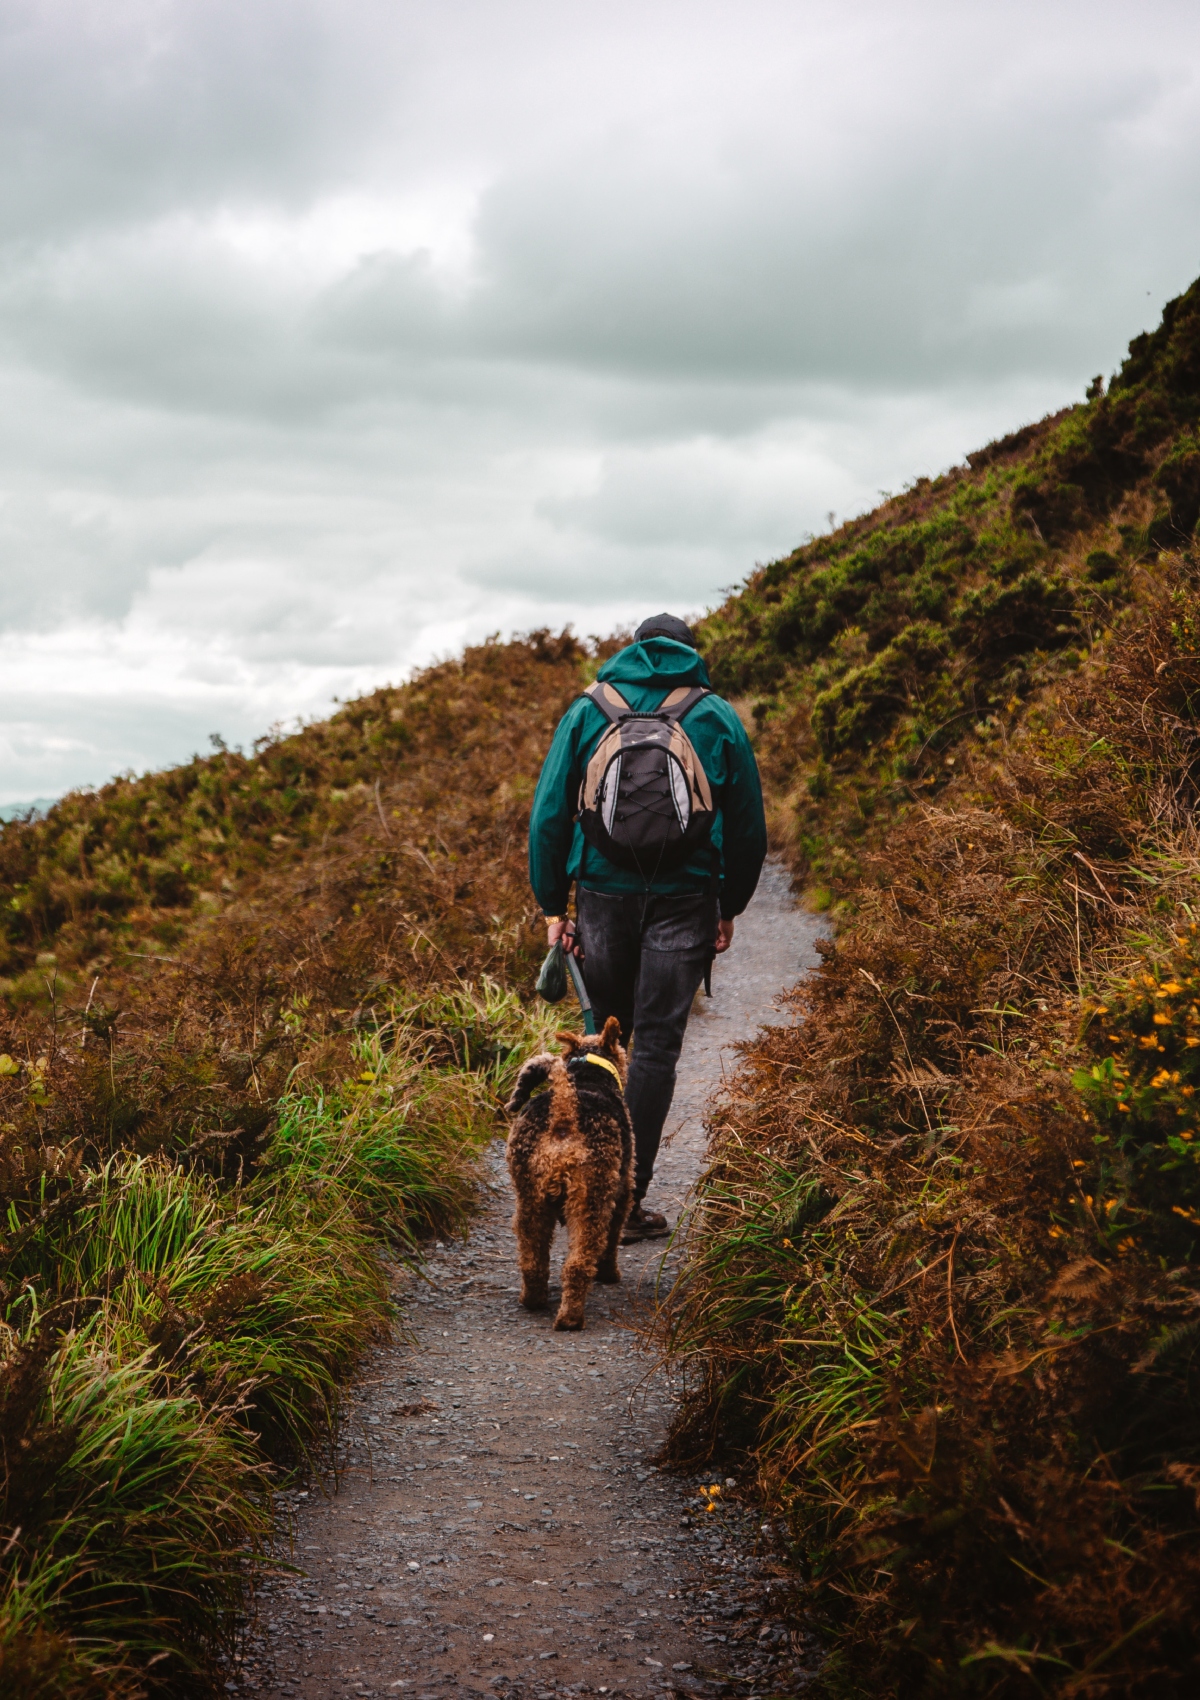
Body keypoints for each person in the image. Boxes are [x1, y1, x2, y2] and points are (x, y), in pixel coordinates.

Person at [528, 612, 767, 1239]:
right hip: (687, 898)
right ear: (690, 653)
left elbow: (549, 813)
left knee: (600, 1043)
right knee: (655, 1047)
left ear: (634, 650)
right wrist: (730, 905)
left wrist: (555, 906)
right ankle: (620, 1206)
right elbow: (747, 826)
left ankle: (571, 1189)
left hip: (602, 896)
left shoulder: (591, 708)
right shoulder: (713, 714)